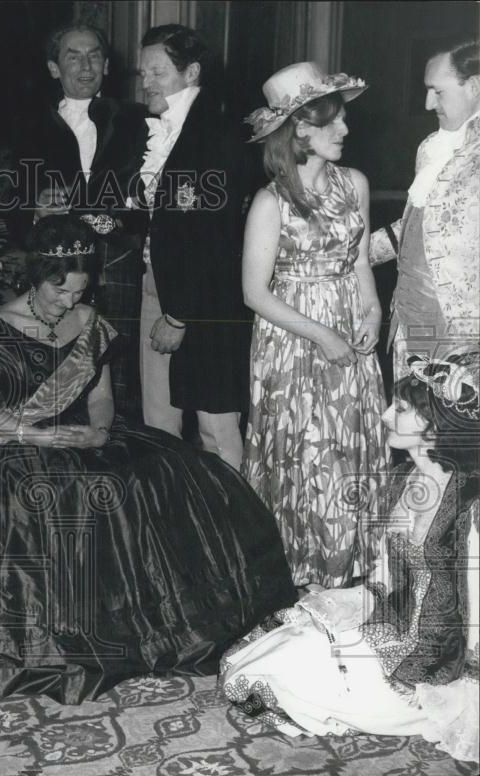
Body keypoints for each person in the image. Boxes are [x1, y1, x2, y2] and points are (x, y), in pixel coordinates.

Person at [0, 214, 295, 704]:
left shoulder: (88, 320)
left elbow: (103, 396)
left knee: (168, 469)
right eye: (59, 293)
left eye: (79, 293)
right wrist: (47, 440)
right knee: (60, 497)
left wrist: (100, 431)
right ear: (37, 278)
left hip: (87, 433)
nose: (69, 303)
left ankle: (170, 619)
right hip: (21, 443)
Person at [220, 350, 480, 766]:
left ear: (434, 425)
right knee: (259, 660)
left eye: (402, 408)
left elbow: (476, 605)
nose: (385, 415)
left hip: (435, 669)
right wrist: (352, 599)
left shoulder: (470, 501)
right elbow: (387, 573)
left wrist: (465, 686)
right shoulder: (402, 480)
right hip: (393, 629)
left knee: (287, 676)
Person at [242, 62, 387, 589]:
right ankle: (299, 575)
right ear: (300, 128)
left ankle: (352, 571)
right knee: (306, 453)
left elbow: (360, 262)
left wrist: (372, 311)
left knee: (351, 447)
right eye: (334, 122)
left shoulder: (356, 184)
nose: (346, 130)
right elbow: (254, 293)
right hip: (293, 340)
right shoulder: (270, 201)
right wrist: (322, 334)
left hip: (349, 326)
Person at [12, 22, 150, 418]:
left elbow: (152, 197)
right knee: (57, 362)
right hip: (56, 263)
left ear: (107, 65)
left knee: (120, 371)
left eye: (94, 56)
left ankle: (118, 459)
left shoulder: (138, 121)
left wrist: (122, 218)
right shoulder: (31, 126)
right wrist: (35, 208)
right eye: (73, 56)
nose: (85, 65)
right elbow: (13, 203)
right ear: (55, 68)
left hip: (119, 260)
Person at [135, 24, 250, 468]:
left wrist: (178, 314)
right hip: (157, 286)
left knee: (215, 428)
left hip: (201, 302)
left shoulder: (215, 135)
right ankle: (173, 522)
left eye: (157, 72)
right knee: (158, 423)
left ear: (191, 72)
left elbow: (215, 238)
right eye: (143, 73)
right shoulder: (159, 130)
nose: (145, 82)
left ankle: (234, 527)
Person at [369, 40, 480, 379]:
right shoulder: (432, 147)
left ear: (474, 87)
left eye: (437, 92)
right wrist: (352, 250)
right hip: (410, 317)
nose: (428, 103)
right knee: (411, 423)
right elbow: (422, 225)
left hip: (462, 329)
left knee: (455, 427)